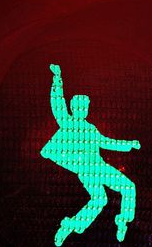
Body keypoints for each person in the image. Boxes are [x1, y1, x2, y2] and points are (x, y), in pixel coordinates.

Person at [41, 64, 141, 245]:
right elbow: (57, 103)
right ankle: (70, 226)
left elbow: (108, 142)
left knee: (128, 188)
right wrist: (57, 79)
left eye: (85, 107)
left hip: (100, 167)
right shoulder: (67, 123)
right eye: (80, 107)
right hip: (88, 170)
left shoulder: (91, 129)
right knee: (100, 199)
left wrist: (129, 145)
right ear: (74, 108)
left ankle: (122, 221)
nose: (84, 110)